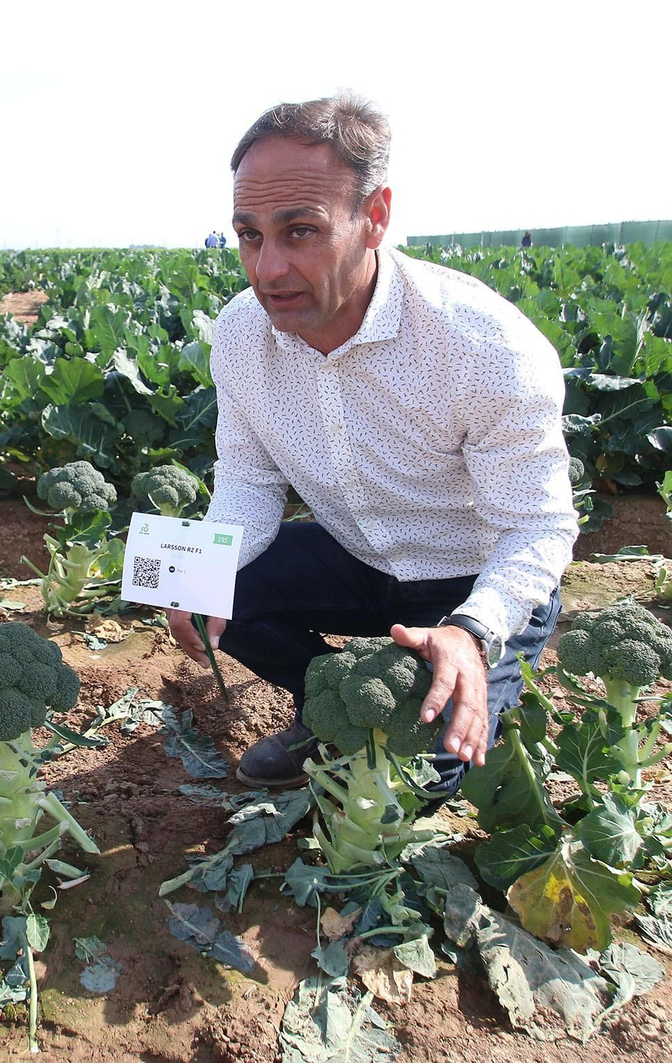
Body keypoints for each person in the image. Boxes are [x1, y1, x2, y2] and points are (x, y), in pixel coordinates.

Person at [166, 93, 576, 793]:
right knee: (205, 585)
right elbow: (248, 482)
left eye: (300, 232)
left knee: (417, 780)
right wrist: (198, 574)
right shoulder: (239, 334)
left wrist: (473, 631)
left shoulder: (480, 344)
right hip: (356, 555)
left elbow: (537, 525)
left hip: (470, 581)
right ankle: (326, 710)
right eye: (250, 234)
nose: (266, 269)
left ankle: (487, 671)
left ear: (375, 216)